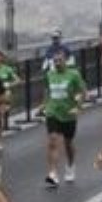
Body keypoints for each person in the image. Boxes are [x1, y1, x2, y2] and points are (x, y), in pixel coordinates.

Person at [42, 48, 87, 189]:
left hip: (68, 114)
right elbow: (47, 90)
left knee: (68, 143)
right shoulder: (49, 74)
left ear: (65, 61)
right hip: (53, 112)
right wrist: (44, 105)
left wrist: (78, 107)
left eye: (60, 60)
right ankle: (53, 174)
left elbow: (82, 91)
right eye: (55, 61)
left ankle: (70, 165)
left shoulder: (73, 74)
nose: (57, 63)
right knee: (53, 141)